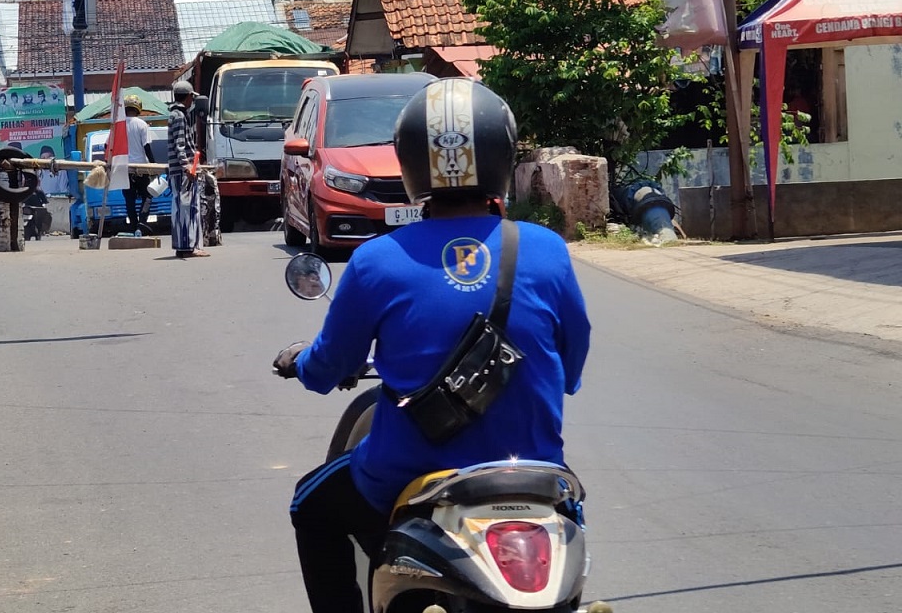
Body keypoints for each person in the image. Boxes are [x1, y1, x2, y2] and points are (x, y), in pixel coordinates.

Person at [273, 79, 591, 613]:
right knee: (570, 518)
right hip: (536, 472)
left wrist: (299, 361)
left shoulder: (377, 259)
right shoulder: (546, 249)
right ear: (501, 157)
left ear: (410, 164)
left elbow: (328, 368)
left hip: (406, 471)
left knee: (312, 507)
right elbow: (573, 364)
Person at [167, 80, 208, 258]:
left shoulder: (178, 115)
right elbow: (180, 145)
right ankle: (187, 246)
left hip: (181, 171)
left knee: (184, 208)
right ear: (188, 97)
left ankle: (186, 245)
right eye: (192, 97)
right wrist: (187, 168)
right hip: (183, 172)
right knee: (187, 209)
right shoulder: (179, 116)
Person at [120, 94, 156, 234]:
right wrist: (153, 165)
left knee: (129, 199)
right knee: (147, 196)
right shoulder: (142, 124)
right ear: (138, 108)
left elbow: (108, 146)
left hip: (125, 168)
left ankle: (134, 226)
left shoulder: (119, 125)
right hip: (141, 168)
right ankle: (141, 225)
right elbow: (147, 147)